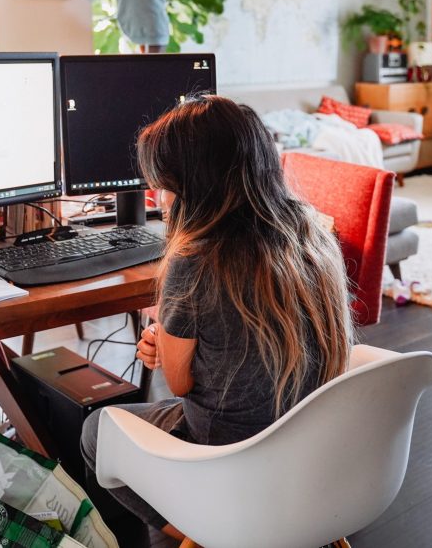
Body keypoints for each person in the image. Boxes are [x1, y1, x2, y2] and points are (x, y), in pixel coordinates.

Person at [80, 96, 353, 540]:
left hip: (230, 457)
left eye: (163, 185)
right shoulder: (311, 236)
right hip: (310, 452)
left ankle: (199, 532)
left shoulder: (194, 262)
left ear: (195, 187)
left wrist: (167, 345)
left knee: (97, 431)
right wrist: (171, 337)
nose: (157, 197)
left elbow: (181, 382)